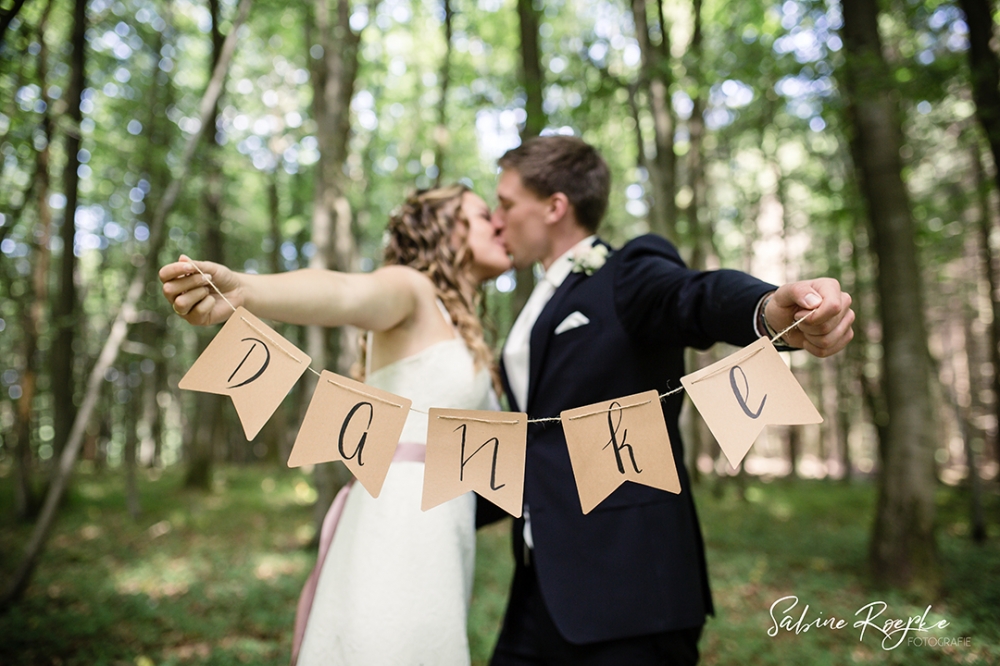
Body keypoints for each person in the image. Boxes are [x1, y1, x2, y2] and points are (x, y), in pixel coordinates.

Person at [479, 135, 854, 665]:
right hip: (539, 583)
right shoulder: (535, 301)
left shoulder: (626, 271)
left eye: (506, 203)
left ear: (555, 207)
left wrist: (768, 309)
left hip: (629, 588)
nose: (497, 219)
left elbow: (690, 296)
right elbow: (533, 444)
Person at [159, 185, 511, 666]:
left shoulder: (460, 320)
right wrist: (248, 290)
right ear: (448, 229)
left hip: (445, 536)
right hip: (401, 523)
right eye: (484, 214)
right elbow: (346, 291)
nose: (500, 224)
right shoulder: (412, 289)